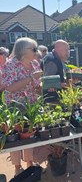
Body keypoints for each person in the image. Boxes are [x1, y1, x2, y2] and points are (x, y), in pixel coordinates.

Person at [1, 37, 43, 175]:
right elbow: (10, 88)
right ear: (23, 51)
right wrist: (31, 78)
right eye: (34, 49)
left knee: (29, 134)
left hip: (30, 105)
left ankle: (29, 162)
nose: (36, 52)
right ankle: (17, 166)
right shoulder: (10, 65)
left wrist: (44, 87)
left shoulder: (35, 64)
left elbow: (37, 86)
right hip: (14, 107)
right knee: (14, 138)